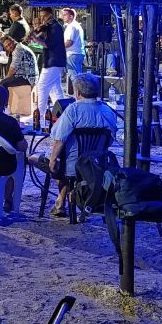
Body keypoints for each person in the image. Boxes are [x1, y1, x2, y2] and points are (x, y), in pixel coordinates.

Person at [41, 73, 117, 217]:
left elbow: (58, 138)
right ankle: (62, 201)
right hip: (96, 165)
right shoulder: (107, 110)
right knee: (62, 159)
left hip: (71, 166)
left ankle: (61, 202)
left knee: (47, 160)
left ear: (78, 92)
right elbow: (110, 140)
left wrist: (52, 159)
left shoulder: (73, 110)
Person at [31, 7, 66, 128]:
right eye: (41, 16)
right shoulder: (50, 27)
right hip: (54, 61)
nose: (42, 19)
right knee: (55, 90)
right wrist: (36, 34)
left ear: (50, 15)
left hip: (53, 61)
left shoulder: (55, 27)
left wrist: (34, 38)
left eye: (44, 16)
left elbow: (47, 44)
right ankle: (62, 115)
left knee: (42, 86)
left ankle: (39, 117)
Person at [61, 8, 86, 90]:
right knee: (77, 76)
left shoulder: (72, 27)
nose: (63, 17)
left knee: (75, 78)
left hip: (73, 54)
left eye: (65, 15)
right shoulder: (76, 26)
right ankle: (79, 94)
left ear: (71, 16)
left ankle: (78, 95)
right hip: (76, 54)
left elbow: (69, 42)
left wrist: (59, 47)